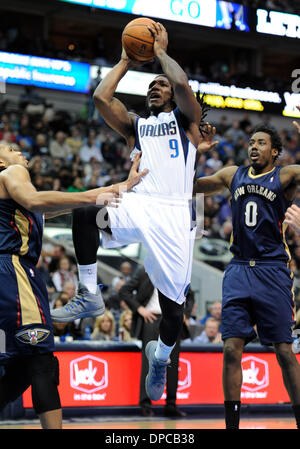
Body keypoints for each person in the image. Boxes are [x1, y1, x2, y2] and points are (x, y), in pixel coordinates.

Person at [50, 21, 206, 402]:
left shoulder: (188, 122)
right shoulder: (137, 126)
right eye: (151, 84)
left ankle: (162, 358)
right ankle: (89, 292)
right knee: (87, 211)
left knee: (173, 311)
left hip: (172, 215)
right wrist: (124, 60)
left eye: (161, 84)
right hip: (138, 203)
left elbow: (183, 85)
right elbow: (102, 99)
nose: (156, 87)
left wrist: (161, 52)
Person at [0, 143, 146, 429]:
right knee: (42, 361)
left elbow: (50, 207)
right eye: (13, 149)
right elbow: (36, 201)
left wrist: (111, 190)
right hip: (13, 272)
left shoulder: (11, 201)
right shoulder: (11, 173)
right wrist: (103, 191)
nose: (22, 154)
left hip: (8, 275)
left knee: (21, 363)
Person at [194, 118, 300, 429]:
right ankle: (231, 425)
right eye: (252, 142)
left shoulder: (285, 176)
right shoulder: (232, 175)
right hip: (239, 268)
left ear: (276, 152)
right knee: (230, 348)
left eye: (261, 143)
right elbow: (192, 187)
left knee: (283, 351)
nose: (254, 147)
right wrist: (195, 152)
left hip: (273, 270)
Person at [119, 265, 193, 417]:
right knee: (149, 362)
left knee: (173, 362)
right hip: (151, 318)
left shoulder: (178, 268)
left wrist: (185, 313)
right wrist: (140, 309)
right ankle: (145, 404)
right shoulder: (145, 269)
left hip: (173, 320)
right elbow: (123, 291)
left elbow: (190, 296)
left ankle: (171, 404)